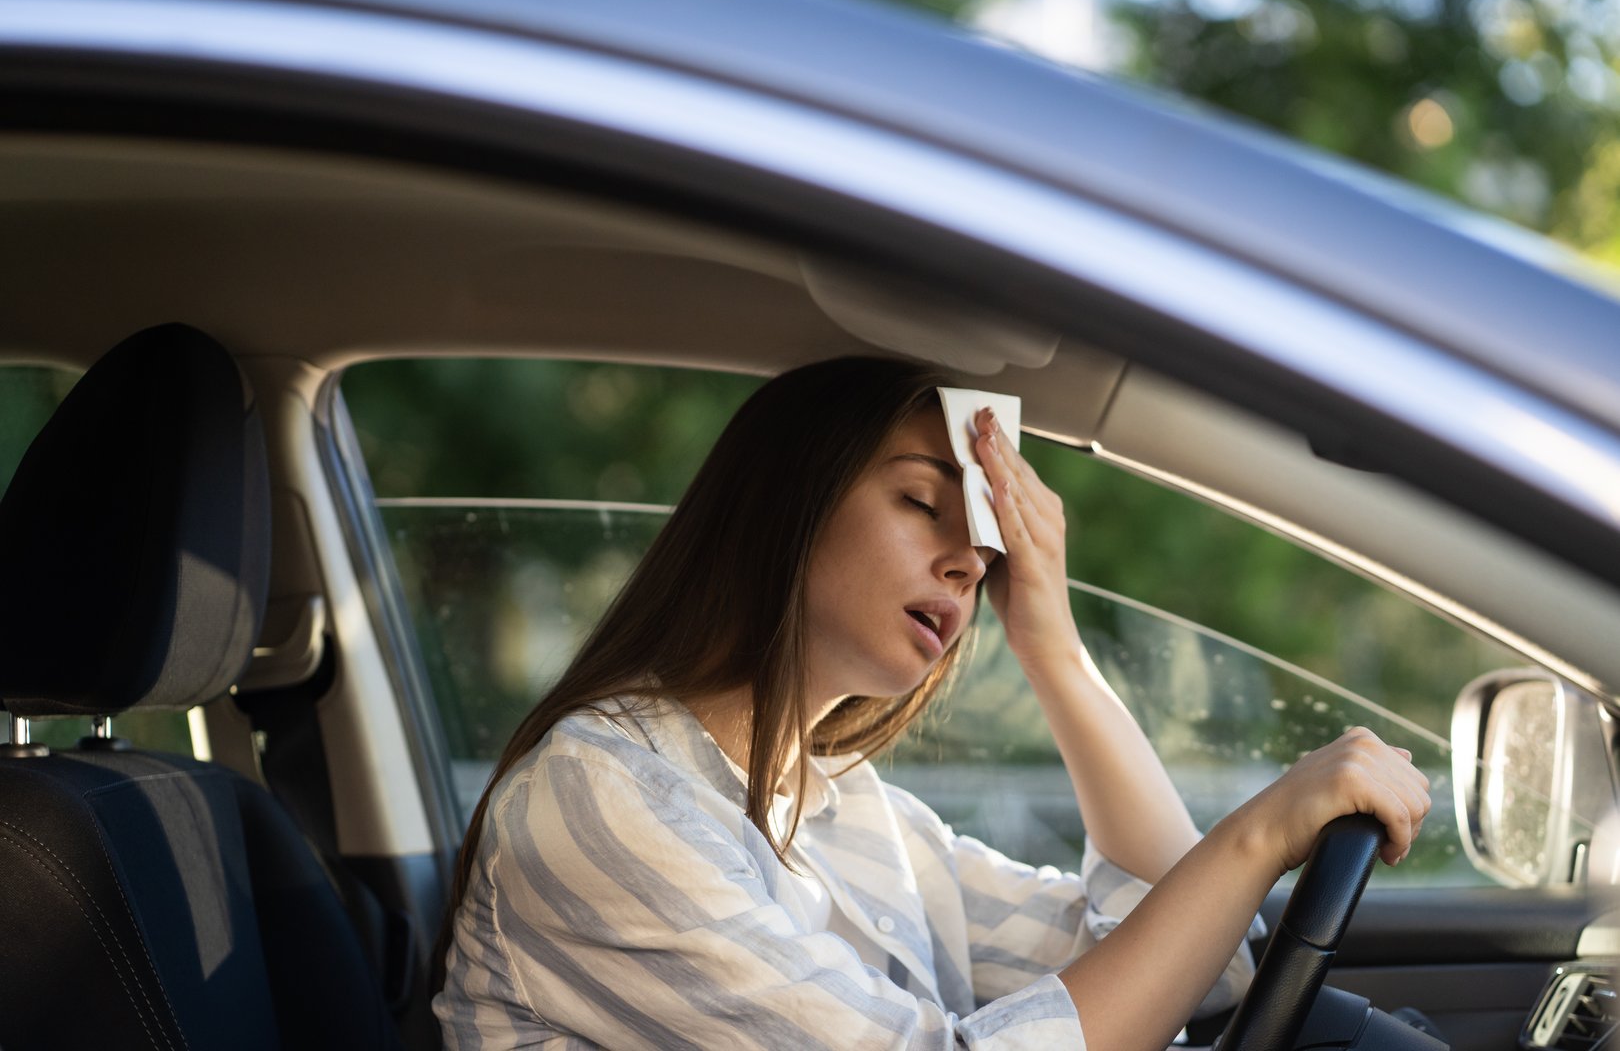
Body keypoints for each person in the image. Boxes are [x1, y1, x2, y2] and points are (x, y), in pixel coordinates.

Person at [433, 356, 1431, 1050]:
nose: (966, 562)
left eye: (986, 547)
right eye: (921, 502)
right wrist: (1259, 835)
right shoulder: (600, 797)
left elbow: (1192, 967)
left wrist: (1055, 645)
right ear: (786, 502)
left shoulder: (846, 808)